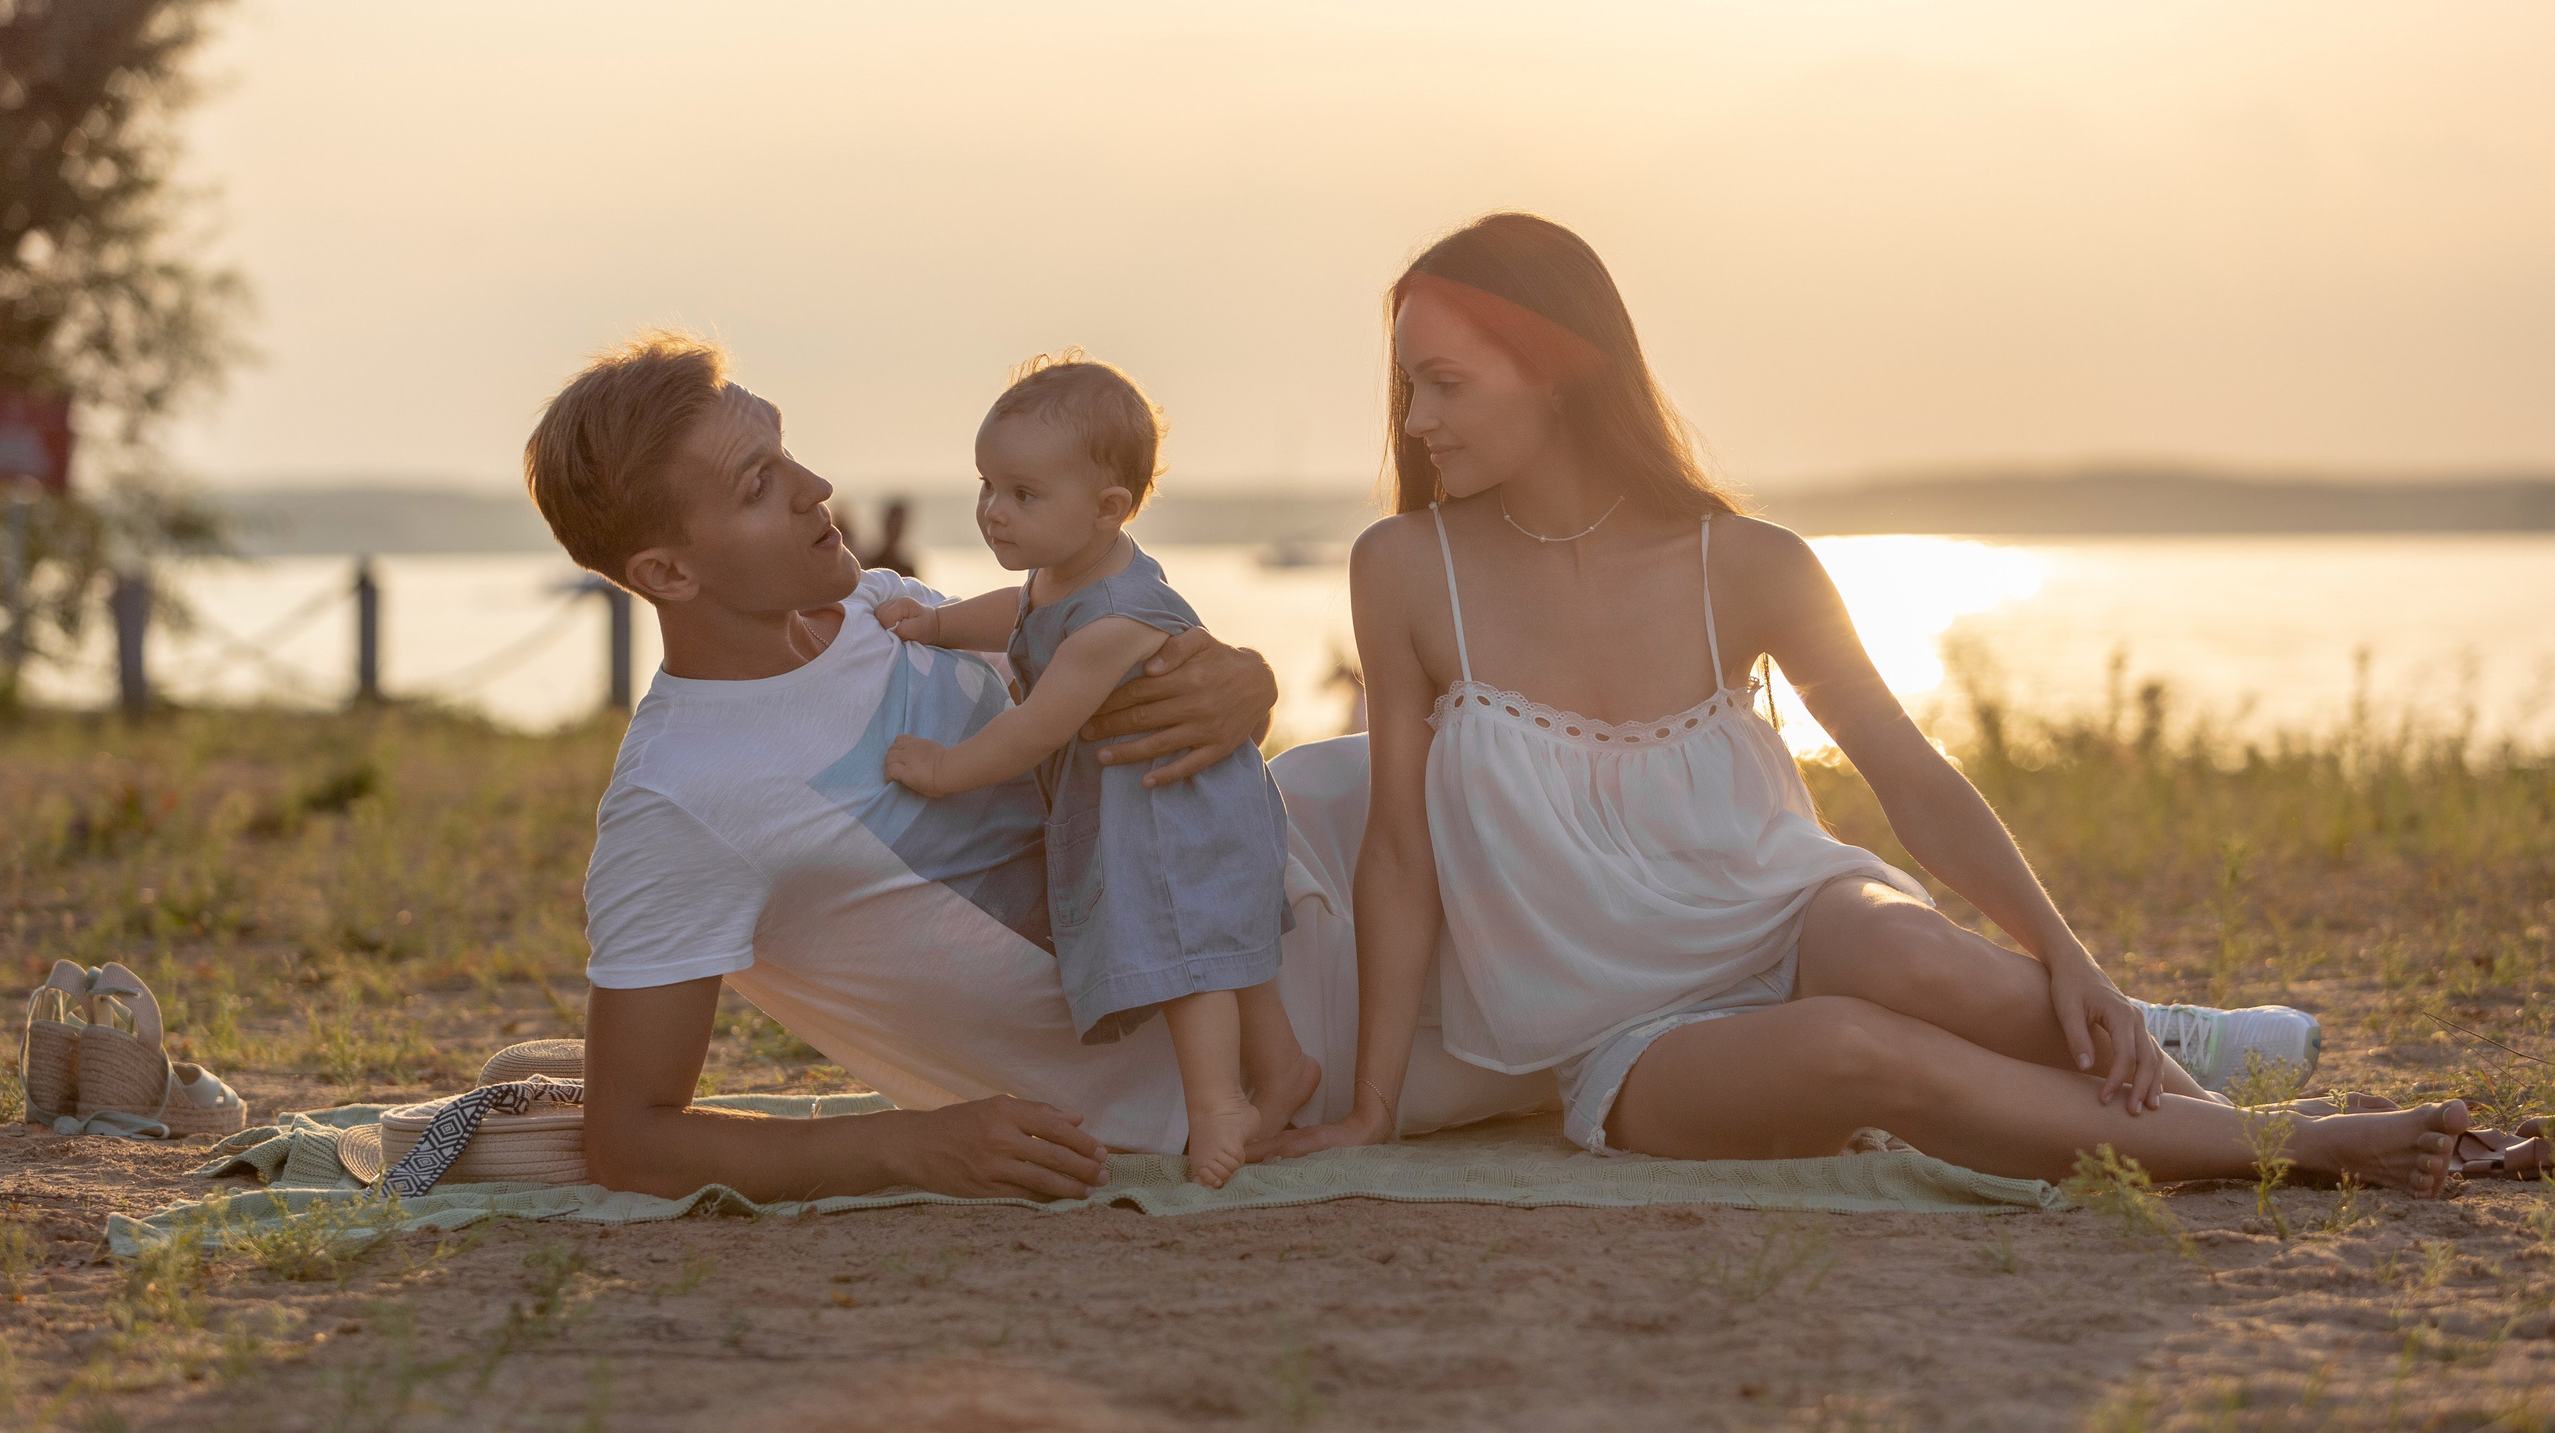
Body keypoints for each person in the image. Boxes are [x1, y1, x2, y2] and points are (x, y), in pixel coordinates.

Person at [522, 330, 2358, 1206]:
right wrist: (916, 1144)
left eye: (789, 453)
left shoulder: (880, 611)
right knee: (1794, 983)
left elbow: (1139, 671)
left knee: (1783, 909)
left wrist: (1233, 681)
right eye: (762, 486)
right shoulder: (685, 805)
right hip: (1274, 1035)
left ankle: (2160, 1033)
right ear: (668, 572)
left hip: (1322, 869)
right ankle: (2211, 1095)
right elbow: (630, 1135)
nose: (819, 491)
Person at [1264, 212, 2524, 1197]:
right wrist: (1372, 1106)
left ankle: (2146, 1030)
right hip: (1618, 1038)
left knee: (1901, 953)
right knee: (1860, 1053)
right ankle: (2282, 1136)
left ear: (1557, 374)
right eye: (1409, 389)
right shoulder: (1405, 570)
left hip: (1783, 915)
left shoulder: (1747, 563)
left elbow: (1906, 773)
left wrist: (2064, 951)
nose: (1417, 423)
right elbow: (1395, 855)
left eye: (1445, 385)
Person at [876, 356, 1316, 1186]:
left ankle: (1219, 1103)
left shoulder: (1116, 619)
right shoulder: (1064, 570)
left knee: (1196, 958)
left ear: (1110, 509)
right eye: (986, 486)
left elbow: (1036, 731)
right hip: (1166, 798)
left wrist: (942, 768)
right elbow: (1017, 614)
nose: (993, 513)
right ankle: (1286, 1065)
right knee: (1231, 944)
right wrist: (936, 624)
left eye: (1023, 494)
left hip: (1177, 805)